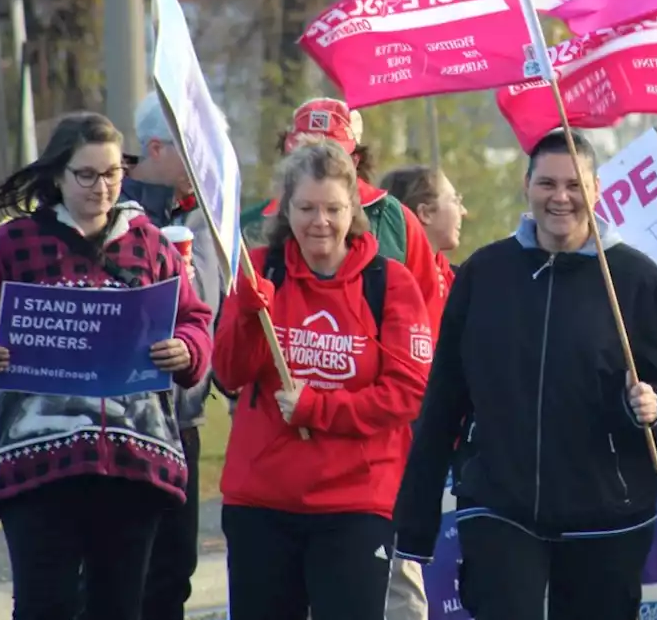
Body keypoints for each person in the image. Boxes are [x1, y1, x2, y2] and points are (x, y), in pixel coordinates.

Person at [392, 131, 657, 620]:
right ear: (527, 186)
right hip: (498, 502)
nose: (561, 197)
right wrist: (414, 519)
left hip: (606, 511)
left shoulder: (635, 278)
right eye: (548, 183)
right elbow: (444, 397)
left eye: (575, 185)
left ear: (597, 190)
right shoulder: (485, 274)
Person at [0, 112, 213, 620]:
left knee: (120, 606)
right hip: (40, 466)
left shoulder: (151, 244)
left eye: (112, 173)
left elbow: (194, 318)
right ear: (57, 175)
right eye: (86, 174)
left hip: (133, 465)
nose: (101, 186)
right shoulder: (14, 244)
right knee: (48, 605)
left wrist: (187, 348)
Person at [238, 98, 441, 619]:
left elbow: (408, 388)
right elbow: (229, 373)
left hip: (357, 500)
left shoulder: (387, 279)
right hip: (263, 498)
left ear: (356, 208)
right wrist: (243, 314)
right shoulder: (260, 268)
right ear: (286, 208)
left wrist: (317, 409)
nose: (320, 222)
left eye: (332, 209)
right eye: (306, 209)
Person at [119, 92, 228, 620]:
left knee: (172, 575)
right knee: (116, 580)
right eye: (193, 146)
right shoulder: (111, 209)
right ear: (157, 148)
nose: (203, 160)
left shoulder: (210, 213)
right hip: (121, 423)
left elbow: (217, 310)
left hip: (183, 423)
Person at [380, 164, 468, 328]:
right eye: (455, 201)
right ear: (425, 213)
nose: (463, 211)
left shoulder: (452, 278)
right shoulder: (390, 280)